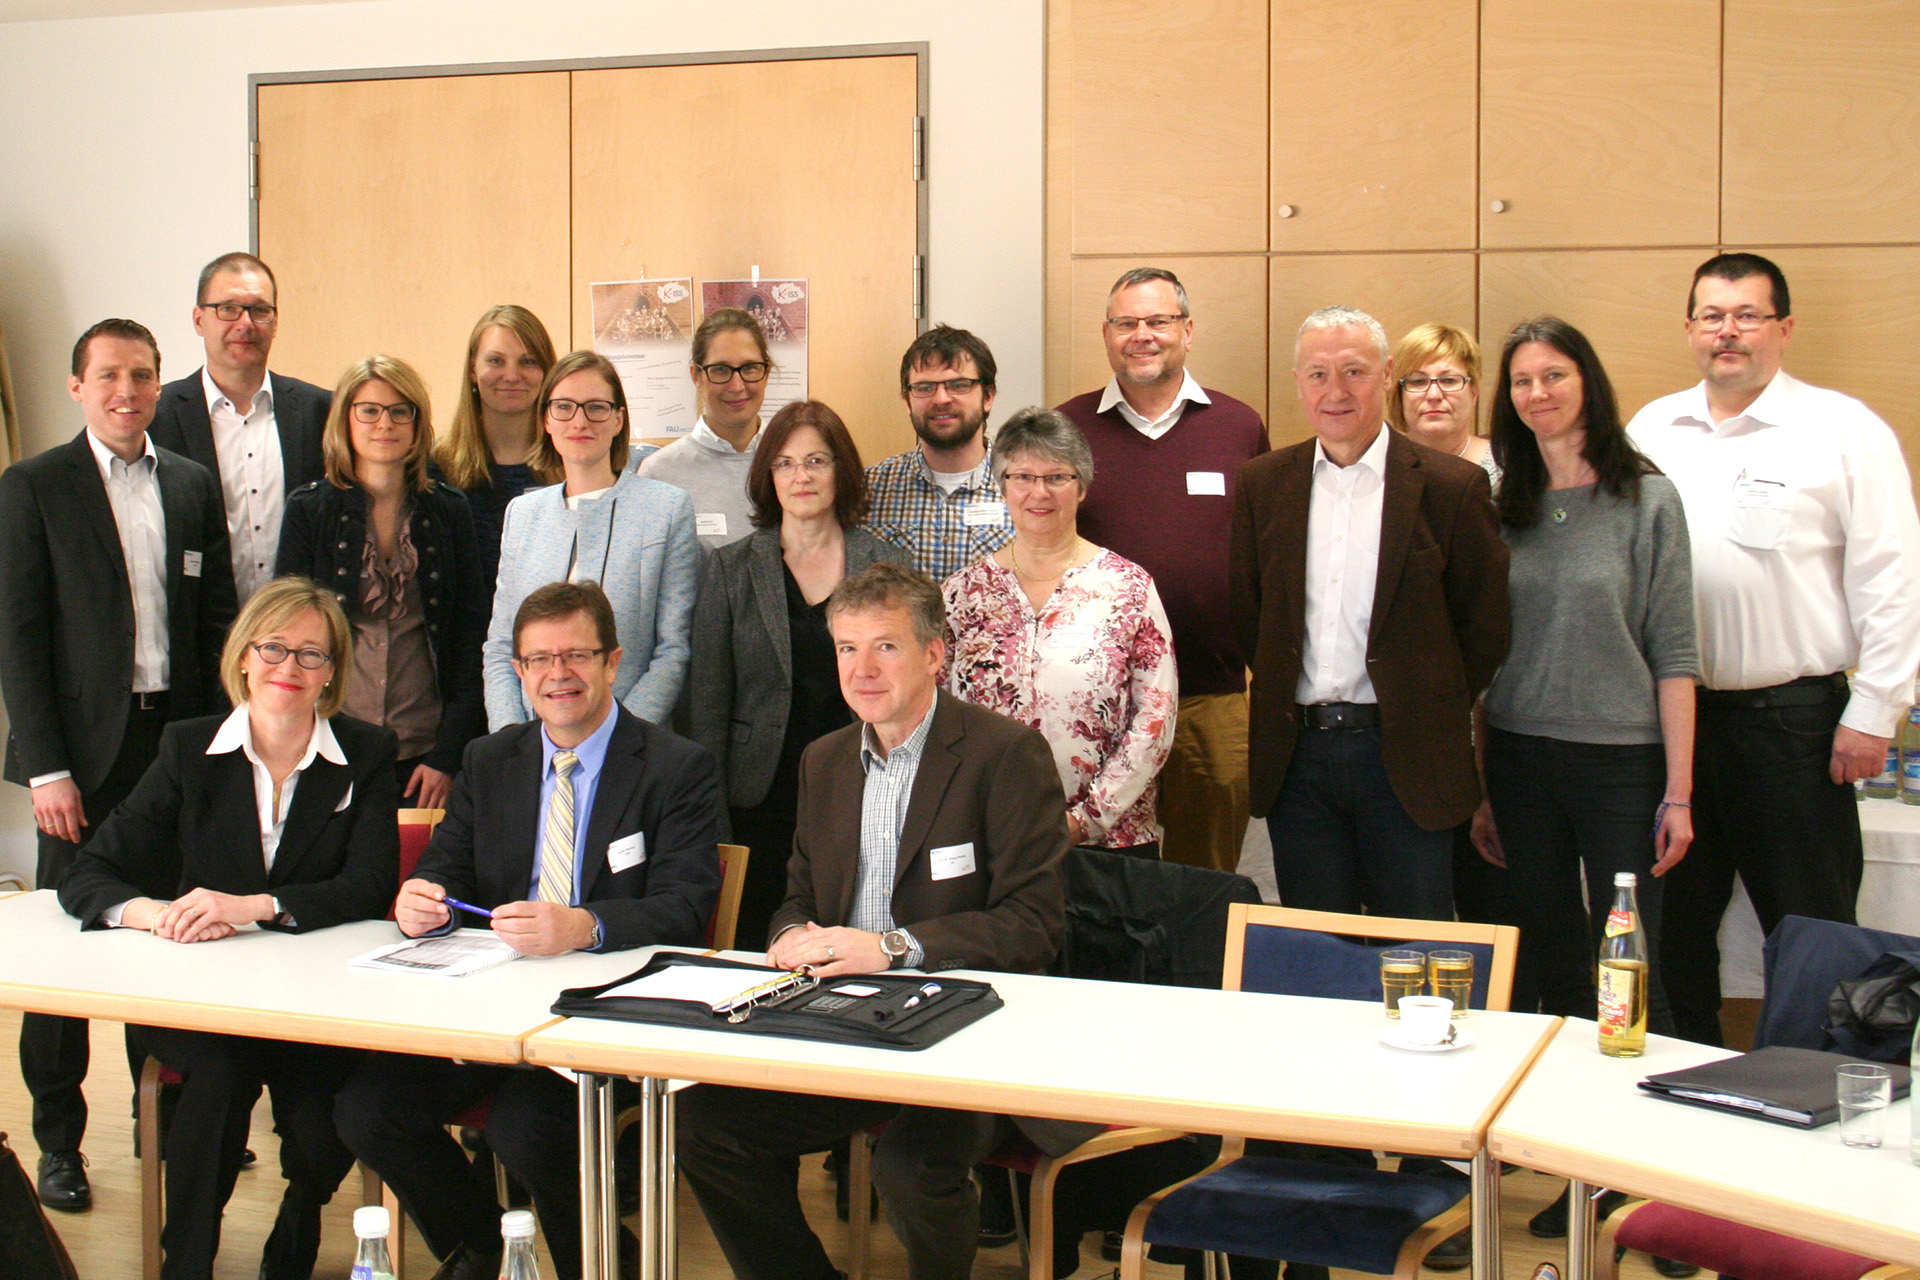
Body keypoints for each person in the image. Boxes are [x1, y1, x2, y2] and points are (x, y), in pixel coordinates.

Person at [677, 561, 1075, 1280]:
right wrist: (789, 935)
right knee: (707, 1127)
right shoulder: (825, 760)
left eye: (885, 647)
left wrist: (892, 947)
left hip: (962, 1026)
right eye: (845, 648)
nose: (862, 669)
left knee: (911, 1164)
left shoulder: (1004, 755)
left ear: (933, 653)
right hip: (839, 1019)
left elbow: (1033, 924)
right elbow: (798, 895)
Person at [336, 580, 724, 1280]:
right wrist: (423, 899)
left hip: (602, 1022)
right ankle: (483, 1243)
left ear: (614, 661)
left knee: (526, 1129)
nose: (558, 675)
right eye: (539, 660)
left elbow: (686, 903)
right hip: (487, 1011)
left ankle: (606, 1262)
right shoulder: (491, 759)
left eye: (576, 655)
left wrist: (584, 924)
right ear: (517, 672)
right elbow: (448, 868)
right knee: (366, 1110)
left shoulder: (676, 767)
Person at [58, 577, 398, 1280]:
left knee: (315, 1127)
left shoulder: (365, 753)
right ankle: (186, 1260)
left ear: (333, 671)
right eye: (274, 647)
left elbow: (369, 888)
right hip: (206, 1003)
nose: (289, 667)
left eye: (312, 653)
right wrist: (159, 914)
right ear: (244, 655)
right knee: (214, 1079)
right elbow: (88, 874)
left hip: (317, 1003)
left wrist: (252, 905)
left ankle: (299, 1225)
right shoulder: (188, 750)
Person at [1628, 252, 1920, 1047]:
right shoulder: (1652, 429)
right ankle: (1676, 1088)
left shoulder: (1844, 431)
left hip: (1792, 725)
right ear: (1689, 328)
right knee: (1676, 929)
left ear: (1783, 328)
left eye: (1748, 315)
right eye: (1713, 316)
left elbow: (1893, 577)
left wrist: (1874, 711)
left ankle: (1818, 1102)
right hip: (1675, 732)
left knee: (1812, 927)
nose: (1729, 332)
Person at [0, 318, 236, 1215]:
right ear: (77, 386)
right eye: (107, 376)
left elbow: (215, 617)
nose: (125, 392)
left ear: (157, 380)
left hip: (169, 743)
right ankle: (58, 1141)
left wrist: (216, 740)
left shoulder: (187, 482)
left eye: (140, 375)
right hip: (79, 757)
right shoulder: (32, 487)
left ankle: (170, 1124)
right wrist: (47, 770)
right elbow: (17, 639)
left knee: (169, 934)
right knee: (67, 951)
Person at [1230, 306, 1508, 921]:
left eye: (1353, 371)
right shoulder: (1263, 483)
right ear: (1298, 382)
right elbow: (1252, 615)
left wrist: (1426, 698)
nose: (1336, 391)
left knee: (1413, 944)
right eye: (1318, 373)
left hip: (1405, 753)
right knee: (1319, 942)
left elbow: (1484, 627)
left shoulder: (1450, 486)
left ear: (1386, 376)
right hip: (1298, 758)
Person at [1476, 317, 1697, 1027]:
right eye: (1521, 381)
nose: (1538, 392)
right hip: (1519, 759)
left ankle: (1633, 1129)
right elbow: (1486, 659)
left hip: (1622, 767)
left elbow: (1676, 653)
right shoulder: (1502, 504)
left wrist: (1681, 794)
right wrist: (1484, 788)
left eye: (1554, 375)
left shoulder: (1649, 500)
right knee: (1553, 962)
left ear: (1586, 383)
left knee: (1630, 966)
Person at [1057, 266, 1268, 874]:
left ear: (1188, 330)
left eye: (1158, 321)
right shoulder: (1066, 427)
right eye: (1127, 323)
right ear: (1106, 334)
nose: (1142, 335)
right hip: (1102, 705)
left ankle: (1201, 973)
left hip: (1213, 695)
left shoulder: (1239, 425)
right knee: (1110, 876)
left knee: (1207, 877)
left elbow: (1265, 551)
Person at [689, 399, 910, 948]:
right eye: (785, 463)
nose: (801, 476)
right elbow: (708, 705)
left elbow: (908, 693)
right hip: (758, 798)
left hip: (862, 788)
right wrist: (712, 817)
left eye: (817, 461)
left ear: (842, 471)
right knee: (760, 945)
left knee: (851, 940)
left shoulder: (885, 566)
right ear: (768, 475)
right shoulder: (731, 568)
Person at [943, 407, 1178, 855]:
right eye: (1023, 477)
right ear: (1003, 486)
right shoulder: (961, 593)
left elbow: (1156, 715)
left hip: (1113, 842)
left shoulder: (1127, 586)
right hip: (991, 836)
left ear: (1083, 487)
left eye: (1057, 477)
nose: (1039, 492)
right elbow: (939, 716)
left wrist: (1085, 820)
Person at [276, 355, 487, 811]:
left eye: (399, 410)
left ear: (417, 421)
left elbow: (473, 638)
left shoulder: (450, 511)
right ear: (344, 419)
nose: (384, 423)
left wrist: (449, 756)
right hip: (329, 744)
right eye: (368, 410)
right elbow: (285, 636)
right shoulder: (309, 511)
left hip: (425, 754)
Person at [481, 350, 700, 730]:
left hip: (633, 744)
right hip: (532, 743)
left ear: (618, 419)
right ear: (547, 419)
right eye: (564, 407)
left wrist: (620, 740)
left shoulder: (667, 508)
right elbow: (501, 648)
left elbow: (672, 650)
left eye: (596, 407)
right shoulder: (522, 513)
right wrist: (513, 739)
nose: (580, 421)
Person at [148, 252, 332, 605]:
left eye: (260, 310)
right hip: (201, 632)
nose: (245, 323)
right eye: (228, 308)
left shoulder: (321, 411)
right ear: (199, 319)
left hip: (299, 633)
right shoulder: (159, 418)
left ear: (275, 322)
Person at [864, 325, 1014, 581]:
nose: (941, 399)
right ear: (907, 401)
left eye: (958, 385)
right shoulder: (868, 488)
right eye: (924, 388)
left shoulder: (1024, 486)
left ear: (988, 396)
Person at [432, 304, 557, 588]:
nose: (512, 375)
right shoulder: (435, 471)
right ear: (473, 371)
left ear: (547, 372)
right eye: (496, 361)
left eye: (528, 361)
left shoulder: (572, 467)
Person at [639, 307, 772, 551]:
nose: (737, 385)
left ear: (766, 371)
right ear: (696, 376)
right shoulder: (659, 474)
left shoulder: (791, 464)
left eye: (750, 368)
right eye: (720, 370)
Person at [1387, 321, 1497, 483]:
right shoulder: (1378, 468)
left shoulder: (1508, 468)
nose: (1434, 395)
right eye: (1418, 382)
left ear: (1473, 392)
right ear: (1399, 396)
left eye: (1449, 380)